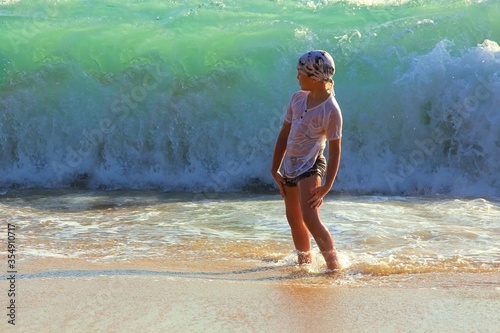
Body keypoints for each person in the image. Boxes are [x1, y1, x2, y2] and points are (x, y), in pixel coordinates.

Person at [271, 50, 342, 270]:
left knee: (310, 217)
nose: (297, 77)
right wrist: (275, 169)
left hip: (311, 165)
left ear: (314, 78)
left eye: (300, 72)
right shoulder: (297, 98)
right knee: (294, 218)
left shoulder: (331, 110)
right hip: (290, 165)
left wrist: (327, 186)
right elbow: (284, 134)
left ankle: (334, 265)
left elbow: (335, 150)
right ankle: (305, 261)